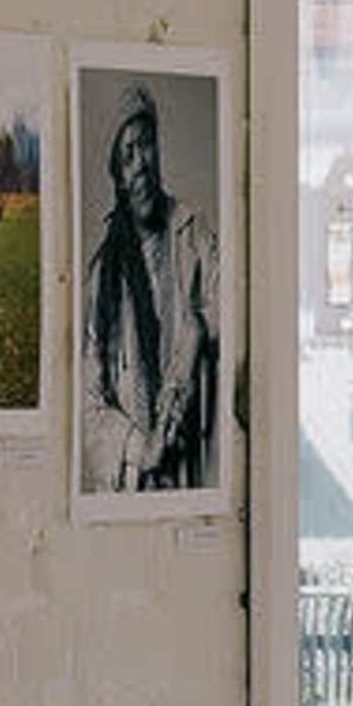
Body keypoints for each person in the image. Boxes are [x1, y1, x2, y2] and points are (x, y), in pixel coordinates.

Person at [82, 84, 219, 495]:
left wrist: (200, 328)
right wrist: (141, 448)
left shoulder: (194, 234)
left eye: (145, 146)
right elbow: (89, 400)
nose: (140, 164)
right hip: (136, 484)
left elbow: (234, 312)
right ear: (119, 178)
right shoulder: (104, 273)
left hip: (194, 472)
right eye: (127, 157)